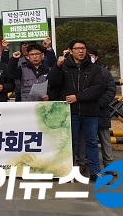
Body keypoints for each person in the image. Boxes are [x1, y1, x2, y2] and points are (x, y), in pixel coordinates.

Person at [47, 39, 106, 182]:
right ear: (70, 51)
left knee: (92, 142)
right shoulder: (64, 67)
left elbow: (98, 88)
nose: (81, 51)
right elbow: (53, 83)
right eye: (77, 48)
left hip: (89, 111)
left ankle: (95, 172)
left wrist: (78, 97)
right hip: (69, 112)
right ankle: (67, 171)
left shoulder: (94, 68)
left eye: (83, 48)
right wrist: (57, 65)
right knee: (70, 143)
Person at [76, 46, 117, 176]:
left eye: (92, 55)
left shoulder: (104, 72)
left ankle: (108, 164)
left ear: (97, 57)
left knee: (104, 138)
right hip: (85, 110)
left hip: (100, 110)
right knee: (83, 138)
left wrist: (99, 103)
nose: (89, 57)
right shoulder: (80, 71)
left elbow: (111, 90)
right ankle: (82, 162)